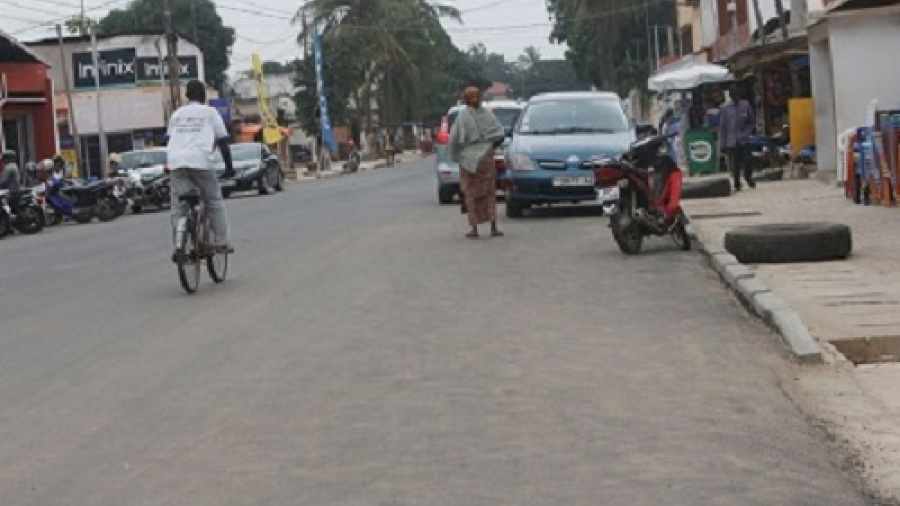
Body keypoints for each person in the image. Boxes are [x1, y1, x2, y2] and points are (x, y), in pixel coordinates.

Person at [166, 80, 235, 259]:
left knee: (178, 206)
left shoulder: (177, 114)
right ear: (204, 95)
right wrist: (229, 167)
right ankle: (221, 241)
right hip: (201, 161)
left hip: (176, 162)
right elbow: (223, 142)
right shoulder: (210, 113)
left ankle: (178, 245)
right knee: (213, 200)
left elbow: (168, 139)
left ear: (186, 96)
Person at [449, 86, 506, 239]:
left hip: (468, 161)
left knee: (471, 194)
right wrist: (489, 147)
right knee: (489, 192)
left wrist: (457, 155)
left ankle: (474, 229)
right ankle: (493, 227)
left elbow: (454, 139)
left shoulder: (462, 116)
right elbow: (500, 134)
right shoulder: (488, 115)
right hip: (485, 158)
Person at [719, 84, 756, 191]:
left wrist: (746, 132)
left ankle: (748, 176)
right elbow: (723, 127)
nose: (735, 96)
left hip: (743, 140)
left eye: (737, 94)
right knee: (735, 165)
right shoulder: (725, 109)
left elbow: (751, 122)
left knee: (748, 161)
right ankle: (737, 184)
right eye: (733, 94)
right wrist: (723, 144)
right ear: (730, 96)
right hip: (731, 141)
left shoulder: (745, 105)